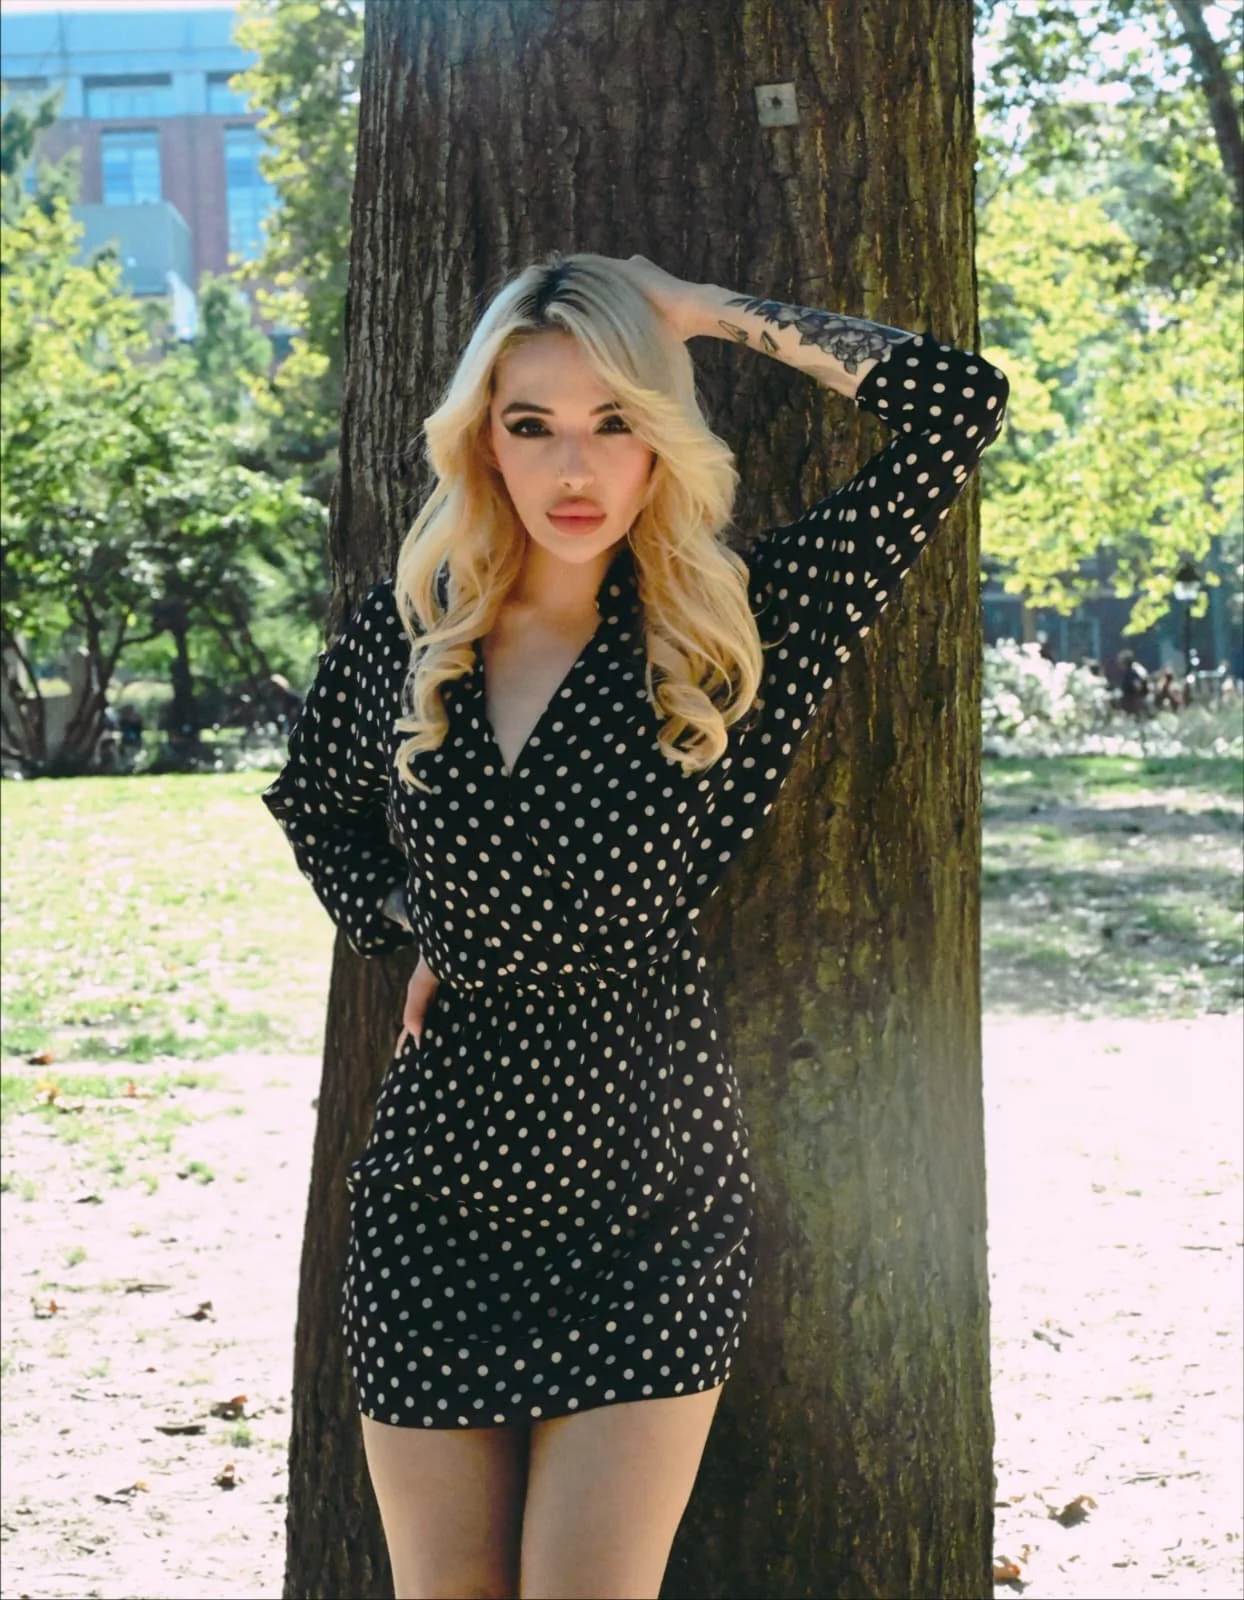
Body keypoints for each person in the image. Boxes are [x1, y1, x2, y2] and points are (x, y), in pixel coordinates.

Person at [260, 253, 1009, 1599]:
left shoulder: (734, 628)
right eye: (531, 421)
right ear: (481, 439)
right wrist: (411, 926)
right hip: (436, 1198)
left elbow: (957, 404)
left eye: (616, 420)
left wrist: (704, 313)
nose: (574, 467)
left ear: (663, 436)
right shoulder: (410, 632)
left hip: (647, 1193)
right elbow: (315, 808)